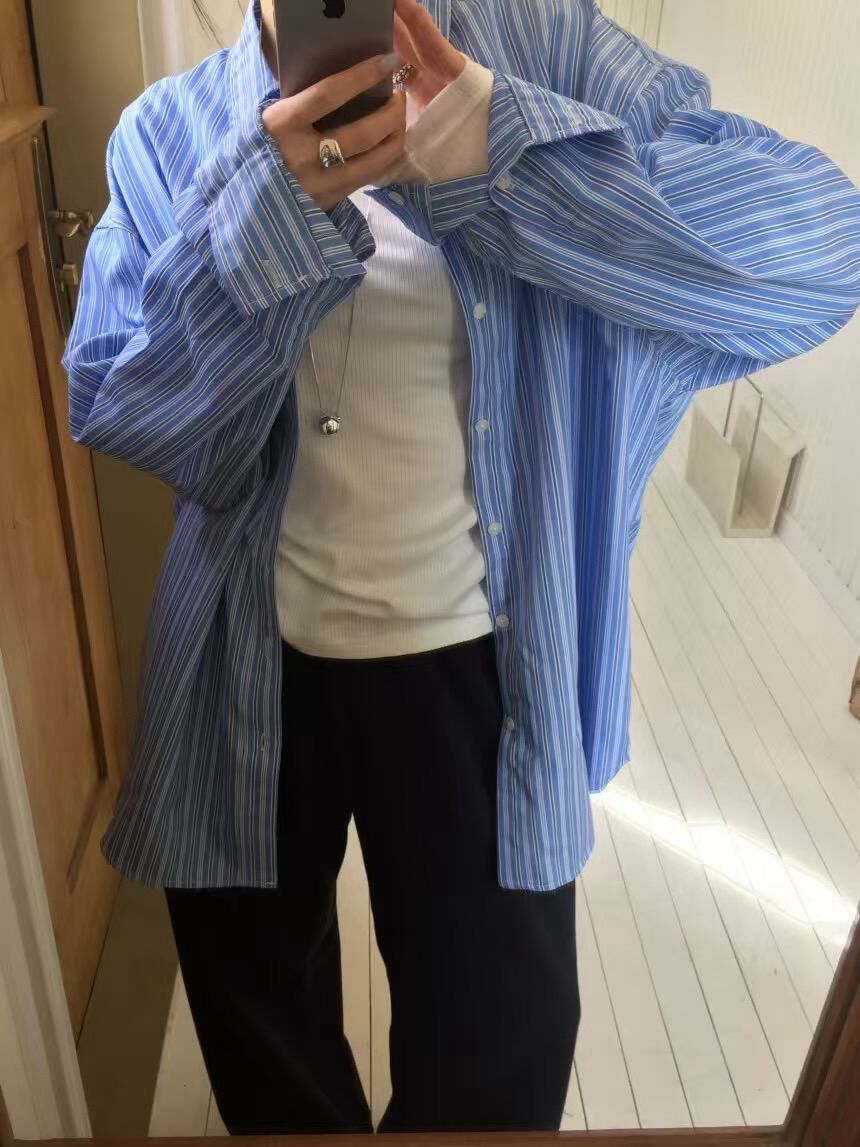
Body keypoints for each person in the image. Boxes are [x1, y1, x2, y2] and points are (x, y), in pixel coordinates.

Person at [64, 0, 860, 1134]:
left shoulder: (554, 53)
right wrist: (266, 214)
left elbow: (821, 249)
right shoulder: (170, 132)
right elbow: (131, 413)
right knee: (261, 1036)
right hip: (242, 663)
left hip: (483, 665)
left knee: (501, 1053)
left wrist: (505, 157)